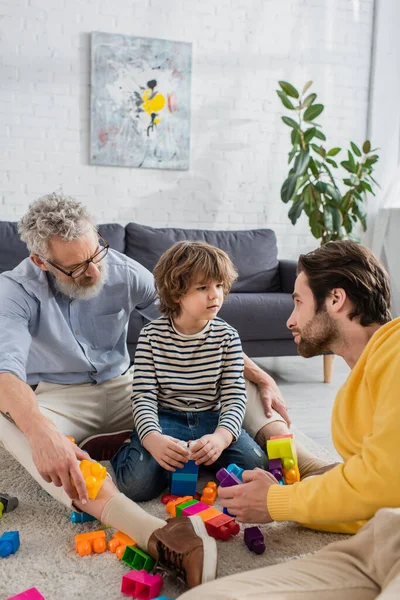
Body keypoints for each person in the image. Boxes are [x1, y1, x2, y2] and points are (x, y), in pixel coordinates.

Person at [0, 192, 321, 588]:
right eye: (77, 268)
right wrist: (41, 431)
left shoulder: (118, 268)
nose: (94, 271)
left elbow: (190, 323)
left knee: (239, 378)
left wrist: (258, 372)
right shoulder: (14, 290)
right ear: (40, 263)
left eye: (95, 253)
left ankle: (310, 467)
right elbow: (6, 371)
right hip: (62, 395)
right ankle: (154, 533)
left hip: (127, 385)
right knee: (17, 427)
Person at [177, 239, 400, 599]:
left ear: (336, 300)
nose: (290, 319)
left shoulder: (397, 352)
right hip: (380, 539)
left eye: (298, 302)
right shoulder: (364, 376)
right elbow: (370, 499)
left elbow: (381, 482)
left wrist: (277, 501)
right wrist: (286, 495)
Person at [111, 241, 269, 501]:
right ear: (176, 294)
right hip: (165, 420)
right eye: (203, 287)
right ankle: (133, 447)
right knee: (135, 486)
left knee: (257, 468)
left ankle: (199, 456)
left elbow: (233, 396)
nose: (215, 295)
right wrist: (151, 438)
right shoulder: (151, 336)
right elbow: (143, 396)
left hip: (210, 418)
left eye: (219, 286)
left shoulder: (228, 336)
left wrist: (220, 437)